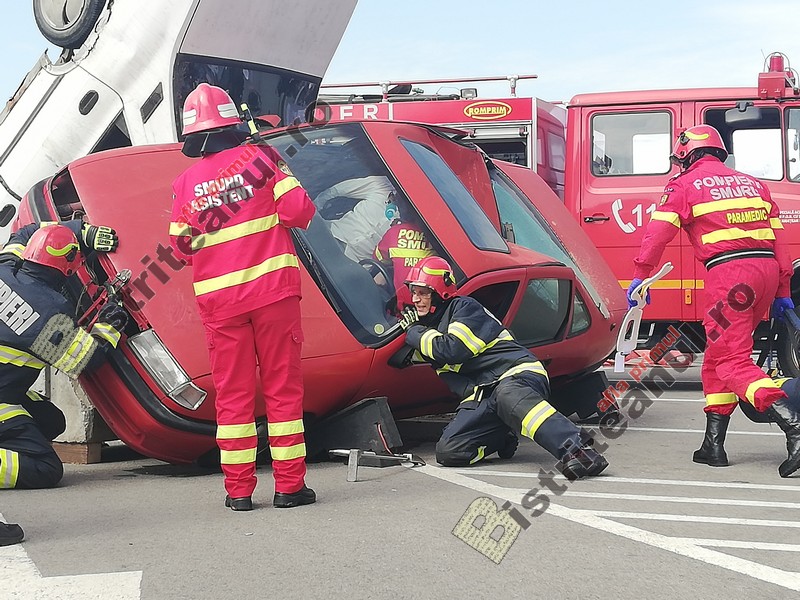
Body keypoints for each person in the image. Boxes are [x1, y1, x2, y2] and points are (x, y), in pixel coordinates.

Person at [170, 83, 317, 511]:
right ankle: (289, 487)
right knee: (282, 390)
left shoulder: (184, 183)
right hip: (272, 294)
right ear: (234, 122)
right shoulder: (262, 159)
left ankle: (238, 492)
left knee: (233, 397)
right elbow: (298, 211)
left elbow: (181, 246)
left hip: (220, 304)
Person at [628, 124, 800, 477]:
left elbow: (657, 234)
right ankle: (713, 445)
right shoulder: (753, 184)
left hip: (731, 277)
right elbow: (779, 243)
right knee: (716, 359)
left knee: (732, 362)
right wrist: (783, 293)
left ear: (686, 155)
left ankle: (794, 426)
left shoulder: (683, 185)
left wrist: (642, 274)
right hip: (765, 273)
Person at [398, 256, 608, 479]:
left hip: (516, 373)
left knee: (508, 395)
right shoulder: (429, 331)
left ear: (441, 292)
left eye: (423, 293)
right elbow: (454, 378)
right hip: (486, 393)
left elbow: (453, 349)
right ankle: (500, 438)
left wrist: (413, 332)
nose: (416, 299)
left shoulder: (464, 308)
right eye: (414, 292)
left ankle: (579, 451)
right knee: (450, 451)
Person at [0, 222, 123, 491]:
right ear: (67, 269)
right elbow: (87, 360)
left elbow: (26, 231)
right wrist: (109, 325)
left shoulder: (5, 267)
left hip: (6, 388)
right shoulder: (51, 313)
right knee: (46, 468)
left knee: (50, 420)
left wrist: (81, 231)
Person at [373, 194, 435, 314]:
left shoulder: (394, 232)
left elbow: (377, 258)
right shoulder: (436, 237)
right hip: (429, 306)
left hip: (403, 311)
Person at [315, 175, 396, 261]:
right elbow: (336, 190)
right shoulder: (382, 185)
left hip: (350, 263)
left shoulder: (407, 217)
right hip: (331, 234)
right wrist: (316, 206)